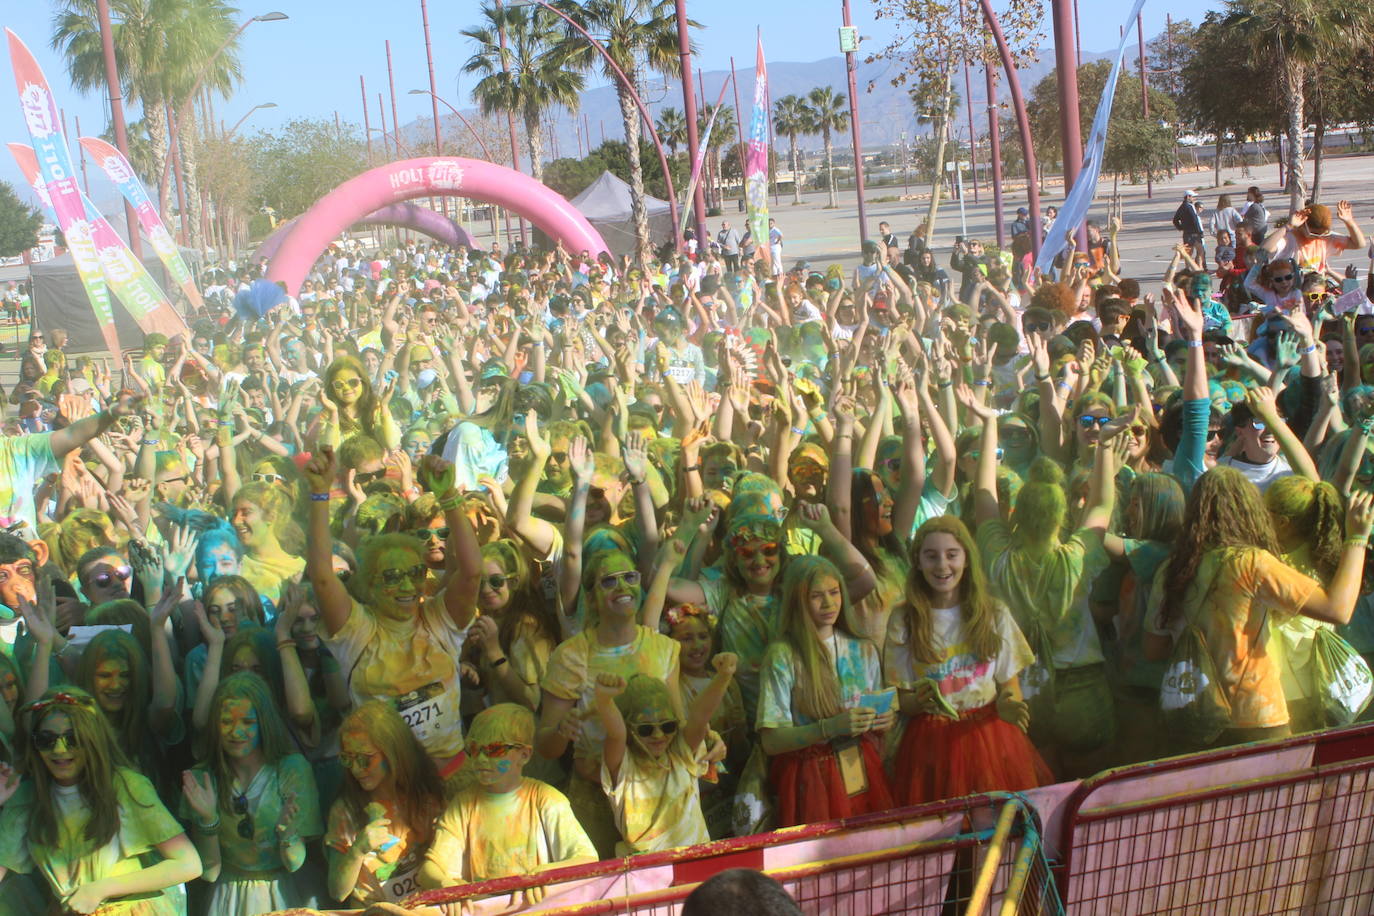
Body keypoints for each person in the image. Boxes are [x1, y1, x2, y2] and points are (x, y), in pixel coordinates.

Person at [1146, 473, 1374, 749]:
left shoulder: (1171, 570)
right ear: (1250, 509)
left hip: (1193, 715)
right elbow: (1337, 609)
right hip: (1258, 716)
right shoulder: (1251, 563)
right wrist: (1357, 539)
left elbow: (1153, 650)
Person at [886, 516, 1052, 804]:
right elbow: (903, 700)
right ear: (917, 561)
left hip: (988, 734)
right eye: (931, 556)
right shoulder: (904, 618)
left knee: (996, 824)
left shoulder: (994, 613)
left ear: (967, 558)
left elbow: (1009, 683)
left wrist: (1009, 703)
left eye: (952, 555)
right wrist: (919, 702)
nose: (942, 565)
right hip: (931, 743)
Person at [756, 556, 894, 827]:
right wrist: (829, 727)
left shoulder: (863, 649)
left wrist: (884, 720)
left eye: (834, 593)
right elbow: (771, 741)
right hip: (810, 777)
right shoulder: (783, 655)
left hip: (860, 766)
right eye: (816, 596)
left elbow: (879, 716)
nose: (829, 604)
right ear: (797, 601)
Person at [181, 672, 323, 914]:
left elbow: (294, 864)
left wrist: (288, 834)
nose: (236, 732)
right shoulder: (202, 779)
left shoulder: (291, 770)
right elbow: (210, 872)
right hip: (228, 898)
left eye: (247, 722)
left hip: (284, 892)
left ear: (264, 722)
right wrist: (208, 821)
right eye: (226, 722)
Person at [419, 704, 597, 893]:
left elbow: (587, 859)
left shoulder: (544, 798)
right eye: (474, 749)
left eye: (494, 750)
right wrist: (445, 885)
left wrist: (545, 874)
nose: (480, 759)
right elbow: (429, 870)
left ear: (524, 755)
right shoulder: (464, 805)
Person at [325, 701, 444, 906]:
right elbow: (337, 892)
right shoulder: (344, 811)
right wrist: (357, 850)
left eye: (365, 759)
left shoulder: (427, 798)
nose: (355, 769)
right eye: (347, 758)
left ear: (393, 753)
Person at [1173, 190, 1206, 270]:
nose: (1193, 198)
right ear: (1188, 197)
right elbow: (1195, 219)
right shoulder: (1190, 206)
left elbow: (1175, 219)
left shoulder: (1181, 207)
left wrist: (1181, 227)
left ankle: (1187, 269)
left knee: (1188, 253)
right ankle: (1200, 267)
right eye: (1192, 196)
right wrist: (1199, 231)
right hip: (1194, 233)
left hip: (1186, 233)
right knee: (1200, 251)